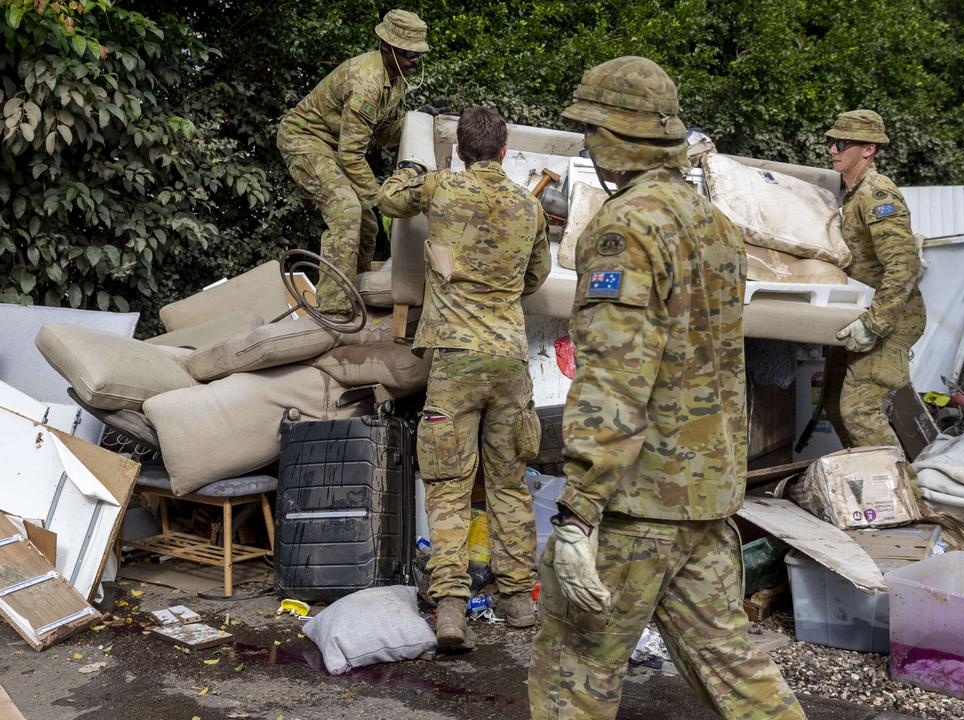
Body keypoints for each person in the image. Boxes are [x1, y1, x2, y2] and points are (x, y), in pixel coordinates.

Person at [527, 56, 805, 720]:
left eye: (592, 128)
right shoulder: (715, 227)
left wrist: (577, 514)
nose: (587, 143)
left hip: (637, 503)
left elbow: (617, 380)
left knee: (574, 669)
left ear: (619, 136)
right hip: (704, 498)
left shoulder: (626, 229)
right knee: (733, 667)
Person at [378, 107, 551, 650]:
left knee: (450, 486)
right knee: (509, 484)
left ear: (459, 151)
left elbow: (387, 199)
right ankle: (517, 598)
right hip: (508, 361)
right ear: (503, 151)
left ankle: (450, 607)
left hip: (455, 361)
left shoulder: (441, 189)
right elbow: (536, 277)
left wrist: (412, 167)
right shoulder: (530, 206)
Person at [277, 9, 428, 315]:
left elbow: (386, 135)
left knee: (368, 223)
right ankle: (334, 308)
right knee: (346, 208)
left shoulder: (395, 79)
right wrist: (381, 198)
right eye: (407, 53)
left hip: (336, 147)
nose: (414, 60)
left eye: (417, 54)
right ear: (387, 48)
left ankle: (355, 291)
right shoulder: (367, 82)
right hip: (305, 140)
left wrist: (423, 122)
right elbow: (351, 155)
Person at [822, 110, 926, 449]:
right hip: (861, 315)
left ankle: (906, 495)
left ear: (868, 150)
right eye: (830, 142)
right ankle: (867, 480)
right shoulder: (852, 195)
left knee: (859, 411)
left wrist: (876, 324)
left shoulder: (877, 194)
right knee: (834, 407)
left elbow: (903, 264)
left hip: (891, 320)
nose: (832, 150)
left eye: (841, 143)